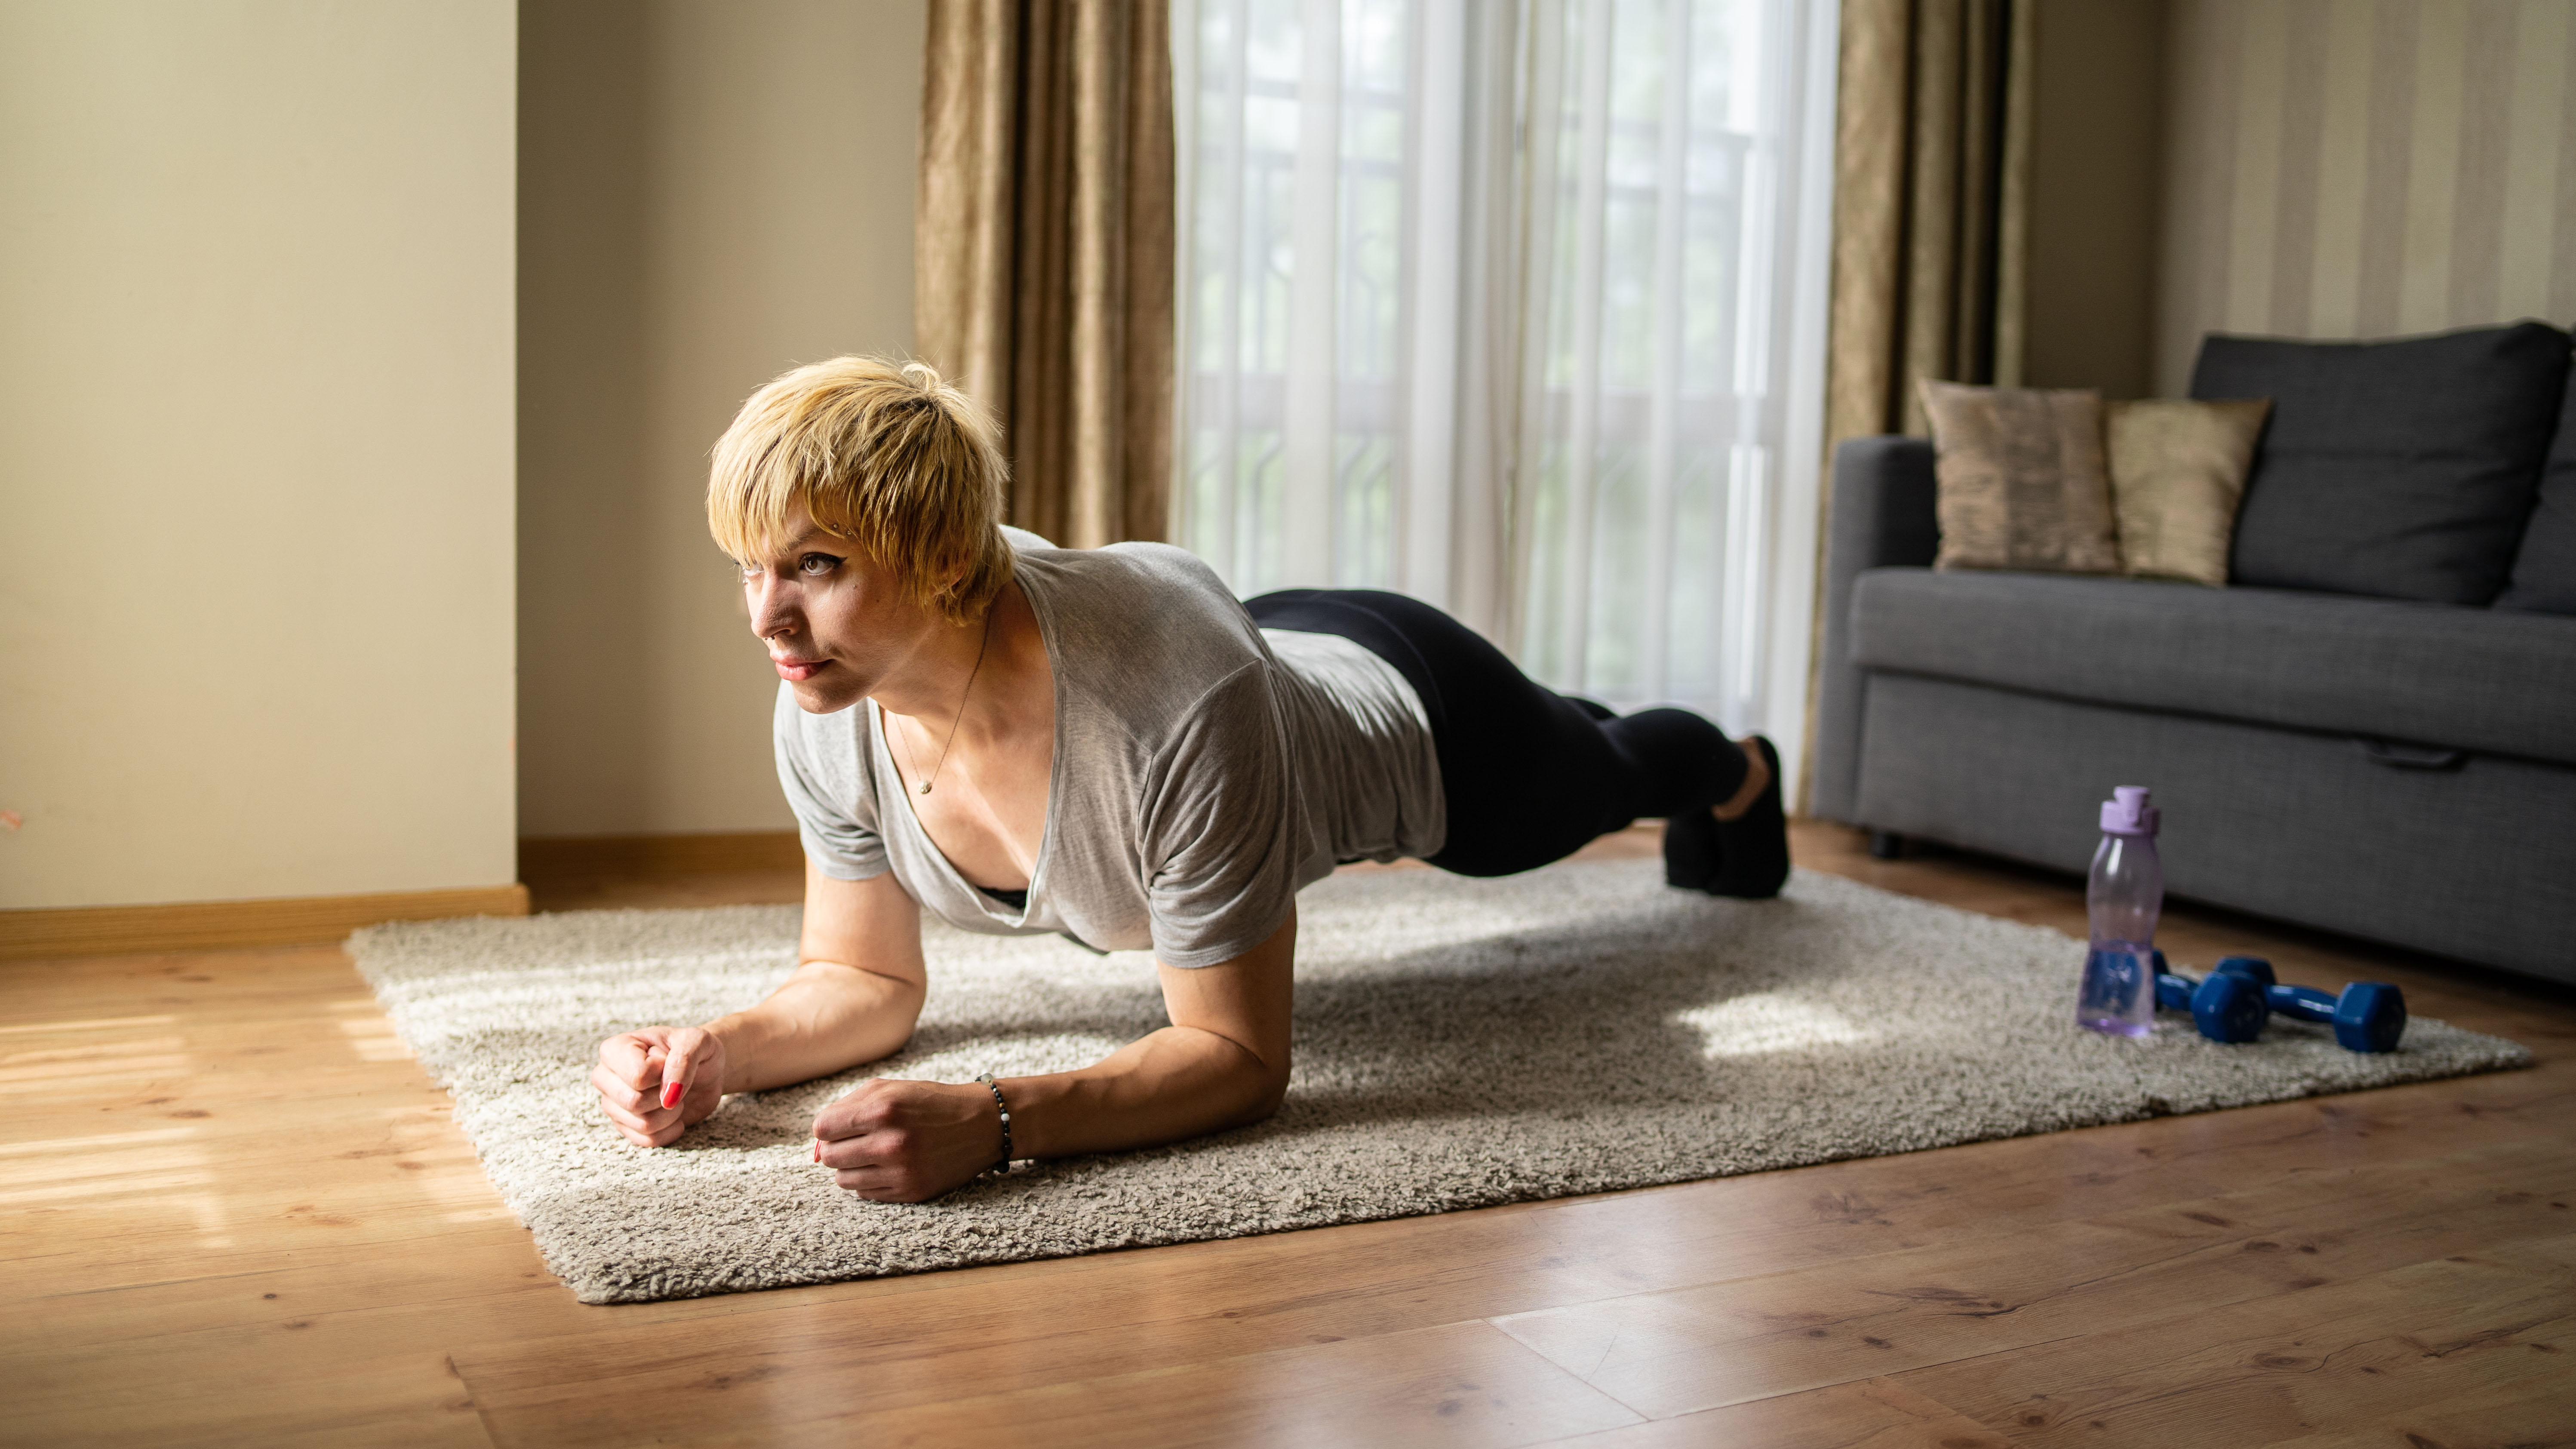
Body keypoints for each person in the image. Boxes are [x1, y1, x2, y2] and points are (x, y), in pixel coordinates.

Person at [590, 357, 1788, 1202]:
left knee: (1612, 771)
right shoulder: (830, 692)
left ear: (944, 557)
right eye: (750, 567)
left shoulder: (1170, 706)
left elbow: (1240, 1058)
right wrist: (721, 1053)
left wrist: (1001, 1121)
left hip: (1424, 716)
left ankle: (1740, 774)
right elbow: (861, 975)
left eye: (814, 564)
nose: (768, 617)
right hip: (1252, 655)